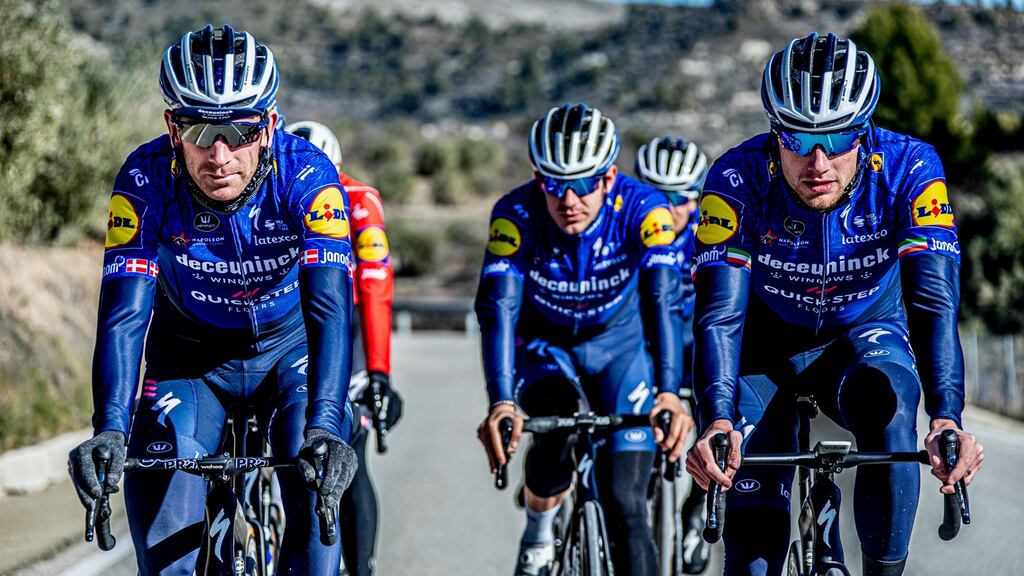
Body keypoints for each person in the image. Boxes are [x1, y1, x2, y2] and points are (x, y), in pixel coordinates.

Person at [683, 32, 985, 576]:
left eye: (841, 136)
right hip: (764, 348)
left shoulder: (910, 168)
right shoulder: (735, 178)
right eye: (797, 139)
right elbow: (720, 316)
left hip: (864, 337)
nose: (818, 161)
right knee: (751, 559)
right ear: (776, 134)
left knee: (892, 414)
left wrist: (947, 416)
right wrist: (715, 421)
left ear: (864, 130)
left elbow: (933, 303)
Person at [66, 25, 359, 575]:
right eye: (198, 127)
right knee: (166, 564)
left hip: (287, 354)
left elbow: (329, 308)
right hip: (188, 362)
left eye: (239, 130)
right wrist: (109, 426)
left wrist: (325, 424)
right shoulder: (144, 179)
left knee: (315, 508)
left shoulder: (308, 176)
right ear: (172, 128)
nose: (218, 153)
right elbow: (126, 313)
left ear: (269, 127)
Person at [475, 103, 693, 576]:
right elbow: (498, 308)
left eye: (584, 183)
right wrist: (502, 402)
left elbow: (663, 300)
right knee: (555, 435)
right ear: (537, 178)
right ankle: (538, 530)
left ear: (610, 176)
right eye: (553, 183)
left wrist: (670, 393)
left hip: (620, 351)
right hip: (545, 349)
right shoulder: (514, 214)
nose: (568, 199)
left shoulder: (645, 209)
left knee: (627, 503)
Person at [286, 120, 403, 576]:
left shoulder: (359, 199)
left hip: (341, 321)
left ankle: (361, 570)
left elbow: (375, 284)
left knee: (347, 450)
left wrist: (378, 373)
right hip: (281, 327)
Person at [634, 136, 711, 574]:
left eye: (681, 198)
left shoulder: (710, 228)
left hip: (692, 338)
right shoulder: (628, 226)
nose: (669, 208)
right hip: (644, 342)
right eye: (657, 196)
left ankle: (695, 510)